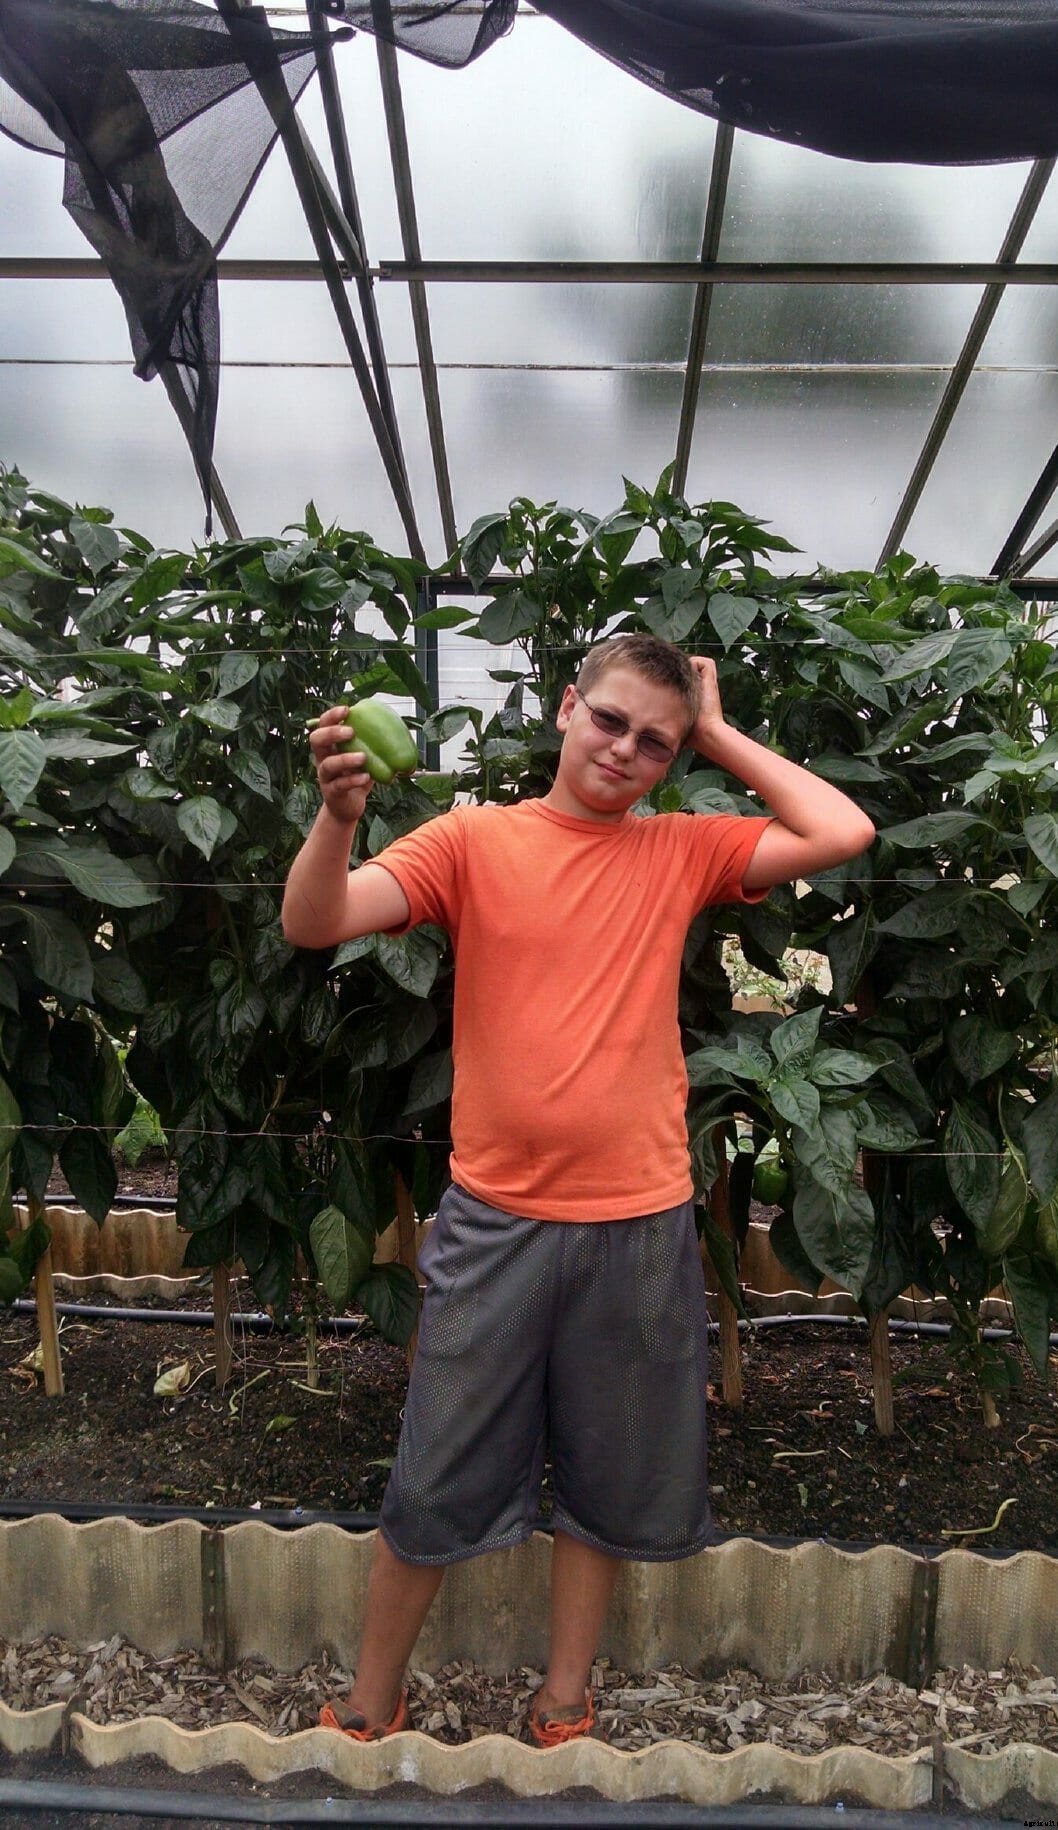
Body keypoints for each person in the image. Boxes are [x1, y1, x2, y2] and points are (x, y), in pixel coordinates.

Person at [281, 634, 875, 1748]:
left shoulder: (679, 850)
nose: (625, 750)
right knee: (433, 1471)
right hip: (495, 1220)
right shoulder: (473, 840)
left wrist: (711, 727)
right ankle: (371, 1697)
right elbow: (315, 920)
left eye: (655, 741)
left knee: (606, 1478)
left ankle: (562, 1697)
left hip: (638, 1221)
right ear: (565, 708)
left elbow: (840, 831)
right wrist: (338, 817)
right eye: (610, 720)